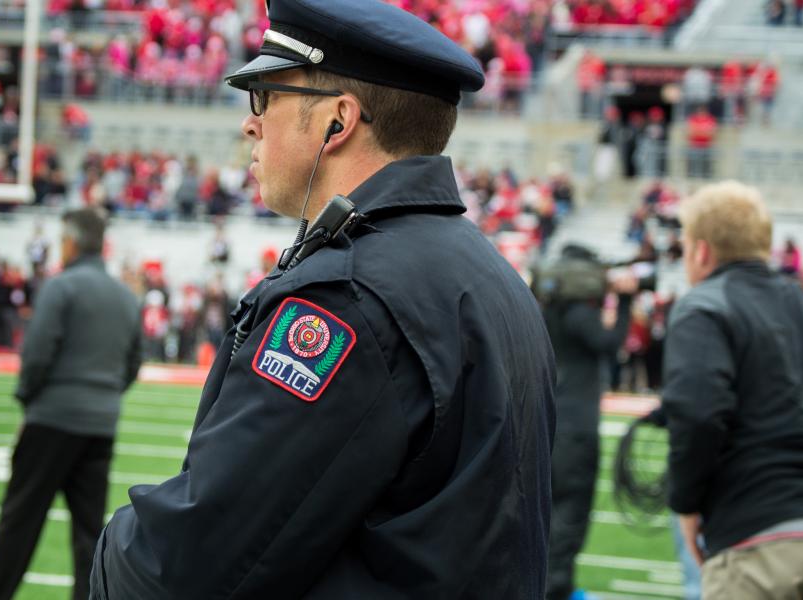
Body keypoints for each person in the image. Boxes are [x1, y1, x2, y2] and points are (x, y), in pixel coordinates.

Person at [90, 0, 556, 597]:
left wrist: (111, 557)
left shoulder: (346, 298)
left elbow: (187, 566)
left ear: (338, 121)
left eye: (267, 96)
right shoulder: (489, 273)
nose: (249, 122)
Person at [0, 208, 142, 600]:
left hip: (51, 420)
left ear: (69, 242)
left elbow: (36, 355)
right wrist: (103, 396)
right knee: (89, 536)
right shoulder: (125, 296)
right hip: (100, 425)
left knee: (19, 523)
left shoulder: (61, 287)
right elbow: (133, 363)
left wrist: (28, 401)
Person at [662, 181, 803, 598]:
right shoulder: (800, 303)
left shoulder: (704, 305)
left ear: (701, 250)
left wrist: (686, 504)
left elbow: (699, 412)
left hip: (755, 538)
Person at [537, 244, 637, 600]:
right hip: (575, 429)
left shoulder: (544, 307)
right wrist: (626, 302)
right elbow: (609, 343)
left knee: (547, 517)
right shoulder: (577, 312)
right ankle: (557, 589)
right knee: (570, 517)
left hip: (551, 422)